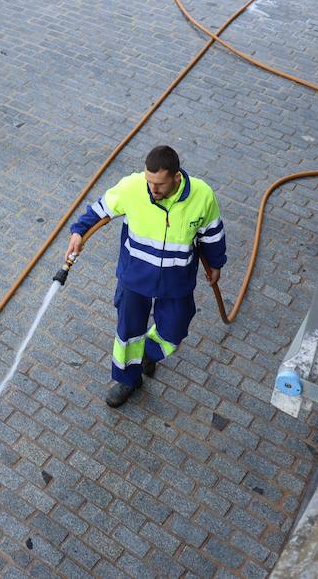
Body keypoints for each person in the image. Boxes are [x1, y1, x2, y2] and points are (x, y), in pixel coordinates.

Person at [65, 145, 227, 407]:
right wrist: (78, 232)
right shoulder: (132, 187)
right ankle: (128, 380)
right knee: (128, 332)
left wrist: (216, 262)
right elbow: (100, 210)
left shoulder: (202, 196)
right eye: (149, 181)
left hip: (177, 281)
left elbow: (212, 233)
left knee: (175, 327)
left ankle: (148, 354)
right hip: (135, 278)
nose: (153, 190)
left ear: (176, 178)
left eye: (160, 184)